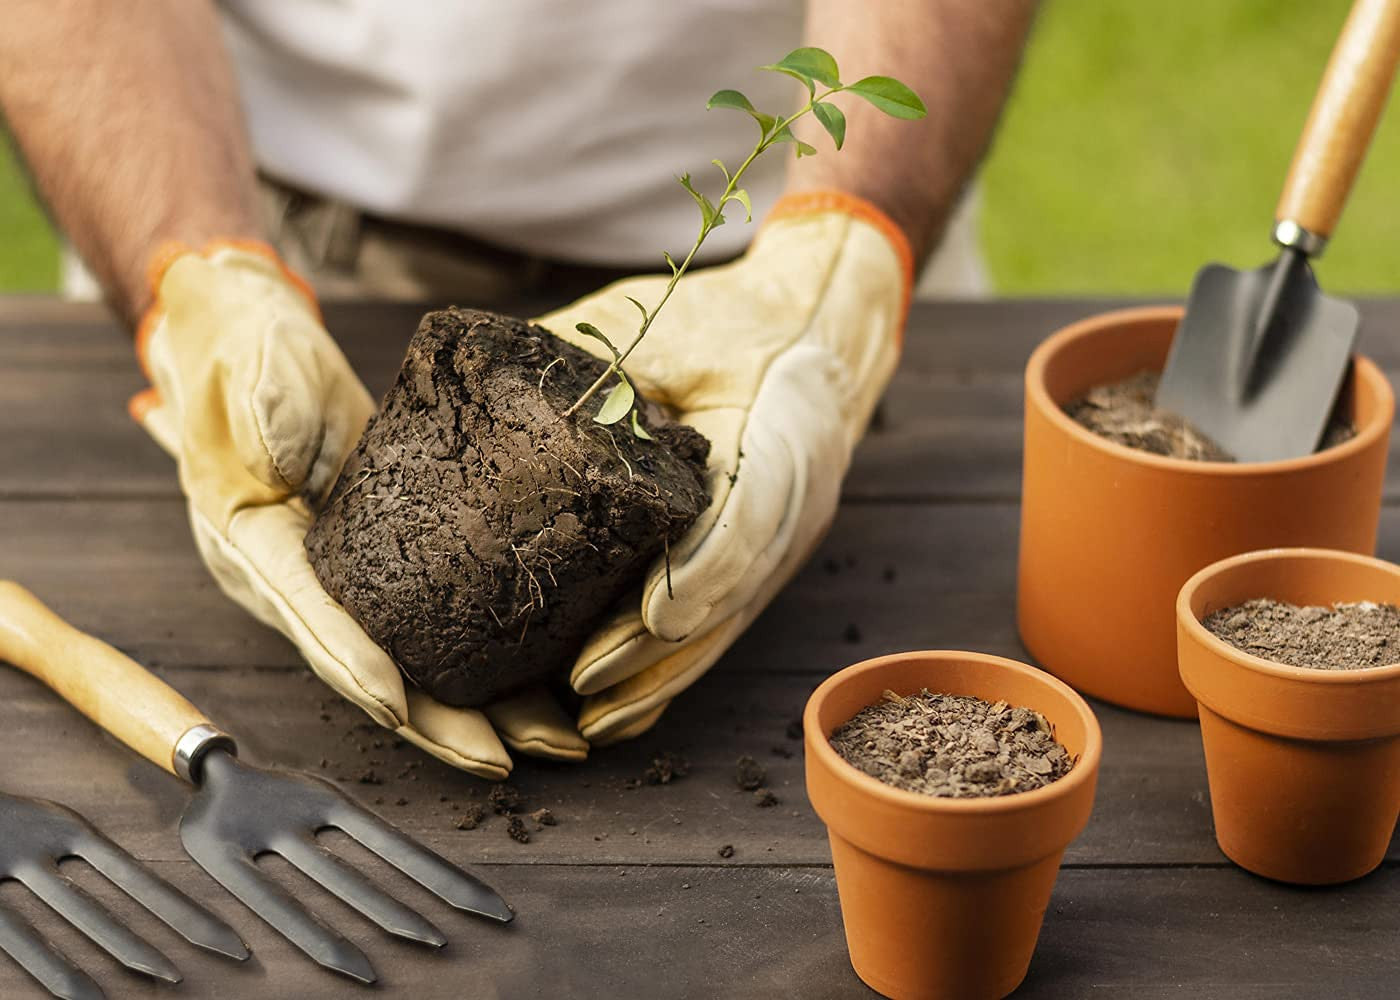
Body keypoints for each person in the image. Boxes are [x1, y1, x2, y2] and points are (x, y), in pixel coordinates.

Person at [0, 1, 1039, 779]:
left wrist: (833, 269)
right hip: (251, 207)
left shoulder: (808, 259)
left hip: (785, 246)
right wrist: (196, 278)